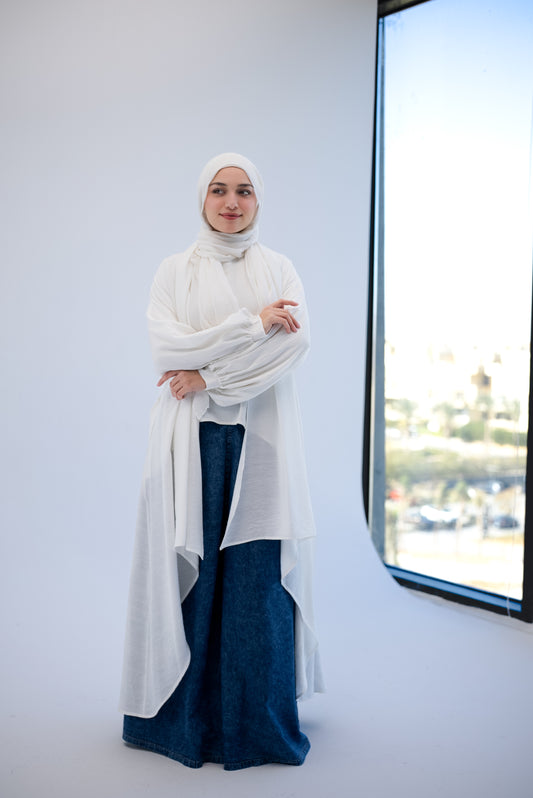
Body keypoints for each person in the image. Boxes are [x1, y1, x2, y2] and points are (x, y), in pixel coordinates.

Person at [119, 153, 324, 771]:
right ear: (202, 198)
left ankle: (254, 729)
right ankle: (183, 725)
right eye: (218, 190)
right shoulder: (174, 270)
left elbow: (290, 350)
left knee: (257, 585)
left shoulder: (279, 268)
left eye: (244, 191)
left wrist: (206, 376)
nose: (231, 202)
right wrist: (251, 325)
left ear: (258, 200)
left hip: (260, 446)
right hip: (190, 445)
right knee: (193, 578)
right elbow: (167, 346)